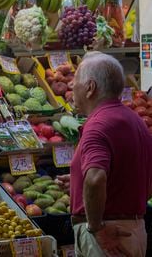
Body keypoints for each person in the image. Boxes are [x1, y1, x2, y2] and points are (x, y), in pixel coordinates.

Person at [56, 52, 152, 257]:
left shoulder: (98, 125)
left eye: (77, 81)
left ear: (90, 88)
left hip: (108, 234)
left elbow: (96, 178)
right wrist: (78, 182)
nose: (72, 86)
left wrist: (96, 227)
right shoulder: (135, 120)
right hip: (133, 229)